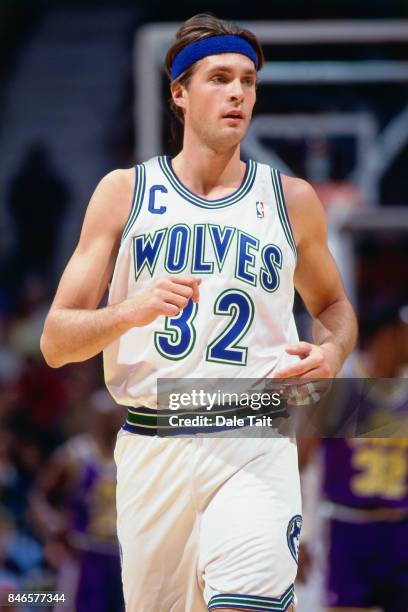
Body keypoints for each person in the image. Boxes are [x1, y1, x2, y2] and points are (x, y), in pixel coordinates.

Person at [40, 13, 357, 612]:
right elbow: (58, 341)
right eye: (219, 78)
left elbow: (334, 305)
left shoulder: (291, 200)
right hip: (152, 446)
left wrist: (333, 350)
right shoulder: (123, 194)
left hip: (255, 439)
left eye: (248, 81)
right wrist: (128, 313)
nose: (238, 93)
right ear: (179, 94)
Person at [298, 303, 408, 612]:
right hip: (346, 529)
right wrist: (296, 533)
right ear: (390, 335)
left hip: (400, 529)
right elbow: (298, 462)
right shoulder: (341, 390)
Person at [30, 389, 124, 612]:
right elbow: (38, 497)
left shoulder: (128, 455)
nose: (111, 423)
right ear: (94, 418)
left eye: (114, 417)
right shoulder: (75, 454)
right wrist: (52, 531)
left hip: (121, 554)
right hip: (84, 552)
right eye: (105, 418)